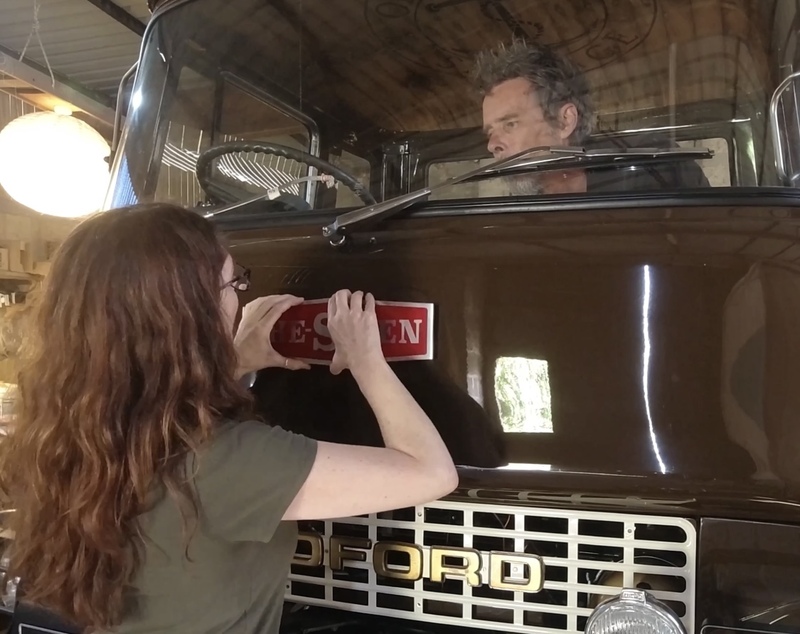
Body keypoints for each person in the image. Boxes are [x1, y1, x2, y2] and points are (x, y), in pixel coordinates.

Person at [0, 203, 458, 633]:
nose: (239, 298)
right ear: (189, 315)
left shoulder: (56, 434)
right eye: (233, 284)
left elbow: (164, 409)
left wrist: (236, 360)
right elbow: (431, 472)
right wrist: (366, 358)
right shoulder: (229, 460)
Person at [472, 37, 594, 195]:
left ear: (565, 121)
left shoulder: (630, 194)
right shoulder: (514, 215)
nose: (492, 145)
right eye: (490, 133)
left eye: (510, 124)